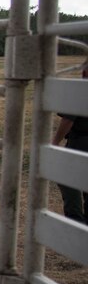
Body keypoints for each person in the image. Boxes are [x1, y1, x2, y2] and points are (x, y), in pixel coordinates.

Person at [52, 63, 88, 223]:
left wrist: (55, 141)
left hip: (80, 142)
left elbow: (68, 120)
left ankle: (75, 221)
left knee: (67, 180)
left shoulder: (80, 90)